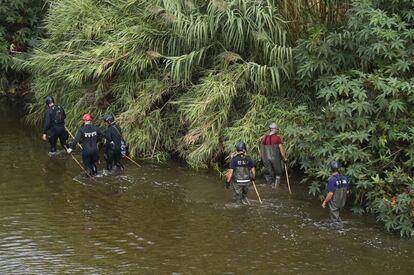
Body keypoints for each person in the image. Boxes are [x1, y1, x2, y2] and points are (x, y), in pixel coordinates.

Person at [260, 123, 287, 188]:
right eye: (277, 129)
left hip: (265, 158)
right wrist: (284, 158)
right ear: (275, 129)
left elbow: (261, 148)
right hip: (275, 158)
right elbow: (281, 149)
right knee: (278, 172)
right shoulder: (278, 138)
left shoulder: (264, 138)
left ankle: (270, 184)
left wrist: (261, 158)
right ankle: (276, 186)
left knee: (269, 172)